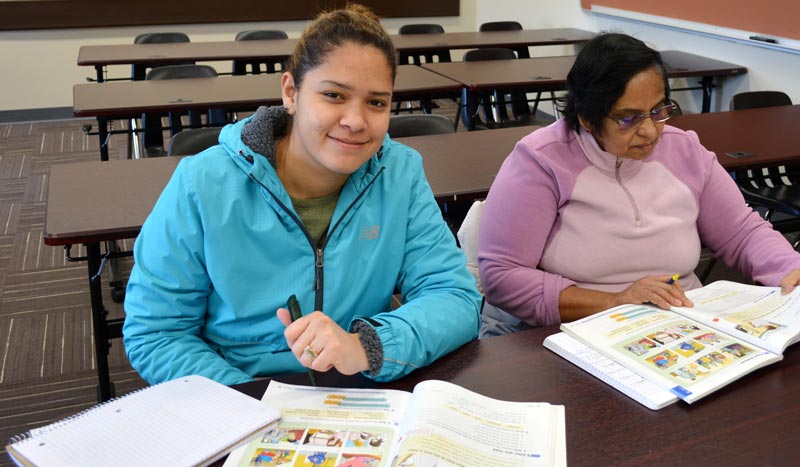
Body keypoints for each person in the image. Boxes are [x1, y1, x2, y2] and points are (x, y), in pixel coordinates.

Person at [122, 4, 481, 385]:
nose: (356, 122)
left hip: (357, 390)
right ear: (291, 93)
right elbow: (157, 333)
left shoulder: (400, 174)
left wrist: (366, 346)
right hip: (240, 394)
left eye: (376, 102)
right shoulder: (202, 183)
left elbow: (455, 298)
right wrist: (246, 403)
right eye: (333, 95)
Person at [477, 32, 800, 332]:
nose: (651, 131)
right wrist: (615, 302)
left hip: (683, 318)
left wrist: (789, 269)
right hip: (580, 326)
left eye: (659, 110)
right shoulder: (541, 161)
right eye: (628, 118)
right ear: (587, 119)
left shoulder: (684, 149)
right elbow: (503, 277)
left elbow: (740, 233)